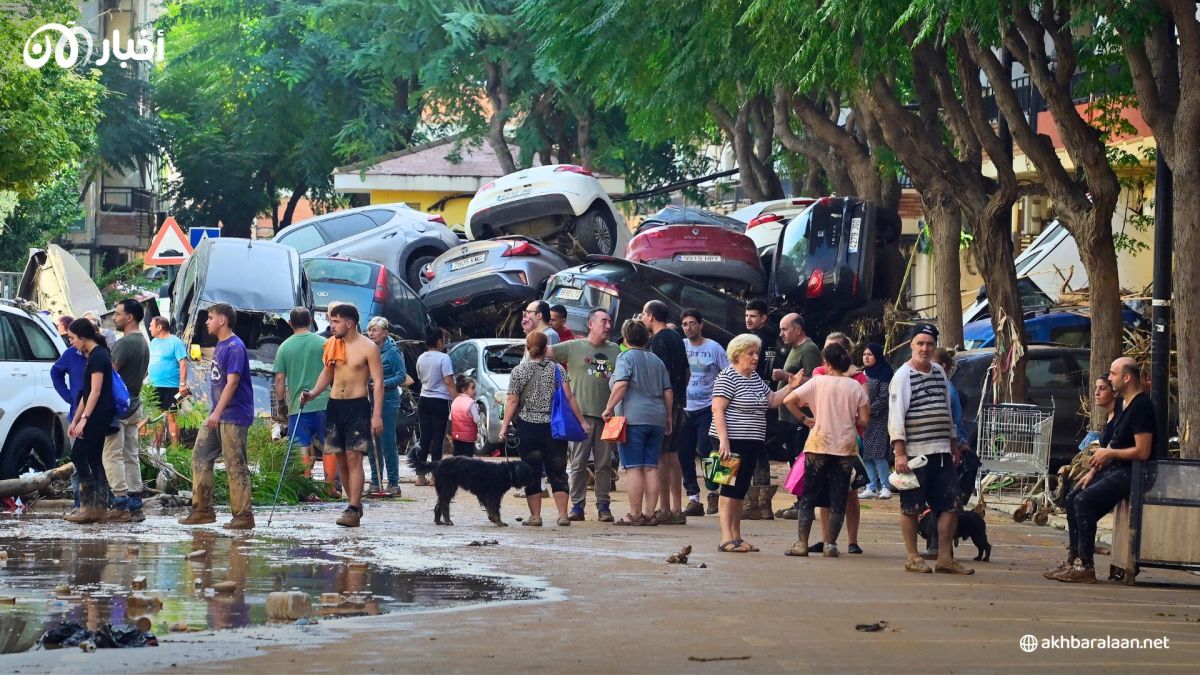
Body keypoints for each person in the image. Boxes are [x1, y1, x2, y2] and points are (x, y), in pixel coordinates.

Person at [1047, 358, 1155, 584]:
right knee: (1073, 497)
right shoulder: (1124, 405)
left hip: (1134, 472)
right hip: (1115, 468)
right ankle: (1074, 560)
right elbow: (1113, 443)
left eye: (1114, 374)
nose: (1110, 377)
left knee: (1084, 501)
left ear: (1127, 378)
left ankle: (1086, 566)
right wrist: (1093, 471)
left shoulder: (1141, 406)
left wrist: (1110, 454)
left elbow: (1143, 451)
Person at [889, 324, 973, 574]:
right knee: (911, 507)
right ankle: (913, 557)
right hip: (915, 454)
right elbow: (896, 417)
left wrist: (953, 444)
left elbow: (947, 411)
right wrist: (900, 453)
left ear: (935, 346)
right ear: (912, 345)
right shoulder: (902, 376)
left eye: (929, 344)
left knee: (951, 505)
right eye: (920, 343)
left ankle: (945, 558)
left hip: (942, 452)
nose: (925, 348)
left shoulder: (939, 372)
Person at [710, 334, 805, 553]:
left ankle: (736, 536)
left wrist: (791, 386)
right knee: (728, 488)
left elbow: (772, 400)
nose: (755, 357)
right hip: (729, 442)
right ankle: (726, 538)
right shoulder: (727, 376)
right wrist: (724, 441)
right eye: (750, 353)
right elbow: (717, 409)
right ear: (737, 354)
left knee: (740, 489)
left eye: (757, 353)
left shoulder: (754, 378)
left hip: (751, 442)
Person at [300, 303, 385, 527]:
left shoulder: (368, 347)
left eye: (336, 321)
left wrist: (377, 415)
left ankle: (353, 508)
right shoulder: (332, 344)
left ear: (349, 323)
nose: (332, 325)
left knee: (354, 456)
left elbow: (378, 383)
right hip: (335, 405)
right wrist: (312, 394)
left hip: (357, 407)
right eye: (331, 321)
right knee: (340, 459)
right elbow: (327, 373)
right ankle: (352, 503)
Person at [782, 342, 870, 557]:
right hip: (845, 448)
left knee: (809, 495)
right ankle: (830, 545)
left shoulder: (817, 382)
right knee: (839, 497)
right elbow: (864, 420)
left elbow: (788, 400)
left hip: (818, 445)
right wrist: (847, 418)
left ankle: (802, 544)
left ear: (827, 363)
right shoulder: (855, 386)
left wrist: (805, 419)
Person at [178, 303, 256, 530]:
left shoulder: (235, 346)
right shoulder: (220, 345)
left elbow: (232, 383)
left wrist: (217, 412)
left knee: (235, 464)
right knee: (200, 456)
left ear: (222, 320)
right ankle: (202, 510)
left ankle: (243, 515)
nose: (207, 322)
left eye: (210, 317)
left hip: (234, 415)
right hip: (218, 413)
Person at [500, 330, 587, 527]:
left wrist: (504, 426)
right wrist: (581, 421)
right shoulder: (557, 369)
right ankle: (563, 515)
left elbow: (512, 400)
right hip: (553, 428)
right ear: (546, 347)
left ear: (527, 348)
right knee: (558, 471)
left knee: (531, 471)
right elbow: (569, 397)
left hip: (527, 428)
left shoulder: (518, 371)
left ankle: (535, 516)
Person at [552, 309, 621, 522]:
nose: (608, 326)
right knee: (578, 463)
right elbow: (542, 351)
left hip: (607, 416)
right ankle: (577, 506)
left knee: (604, 464)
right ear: (590, 324)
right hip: (579, 417)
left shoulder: (615, 349)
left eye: (610, 321)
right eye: (603, 321)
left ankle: (603, 506)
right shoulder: (573, 346)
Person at [603, 320, 673, 526]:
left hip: (633, 419)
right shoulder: (656, 360)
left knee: (633, 467)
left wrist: (609, 407)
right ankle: (650, 513)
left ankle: (635, 514)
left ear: (626, 338)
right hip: (657, 418)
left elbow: (621, 384)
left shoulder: (625, 357)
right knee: (651, 467)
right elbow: (668, 391)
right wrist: (668, 416)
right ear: (646, 338)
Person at [807, 332, 868, 554]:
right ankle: (827, 539)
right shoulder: (819, 372)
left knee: (850, 492)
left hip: (849, 440)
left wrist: (849, 377)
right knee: (824, 492)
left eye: (833, 348)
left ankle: (852, 540)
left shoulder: (859, 377)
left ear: (845, 352)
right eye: (826, 348)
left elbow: (864, 408)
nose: (828, 354)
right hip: (823, 439)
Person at [274, 307, 338, 497]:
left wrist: (281, 404)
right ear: (311, 321)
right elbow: (334, 371)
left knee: (301, 446)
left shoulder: (284, 347)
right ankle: (330, 488)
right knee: (329, 446)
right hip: (325, 403)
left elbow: (279, 380)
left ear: (290, 323)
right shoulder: (324, 343)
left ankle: (306, 486)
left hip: (298, 406)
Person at [62, 318, 119, 525]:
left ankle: (88, 506)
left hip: (98, 414)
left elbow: (95, 391)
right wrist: (75, 419)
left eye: (72, 338)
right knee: (94, 458)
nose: (71, 342)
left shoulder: (98, 356)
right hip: (93, 412)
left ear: (83, 337)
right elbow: (86, 394)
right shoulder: (94, 355)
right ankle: (98, 507)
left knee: (79, 454)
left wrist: (84, 419)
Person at [768, 313, 823, 520]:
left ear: (798, 329)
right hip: (787, 415)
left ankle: (804, 504)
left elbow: (815, 380)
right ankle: (800, 501)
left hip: (800, 417)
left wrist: (785, 376)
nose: (781, 334)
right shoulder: (794, 348)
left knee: (802, 462)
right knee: (794, 461)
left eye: (785, 329)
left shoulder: (809, 349)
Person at [642, 300, 690, 525]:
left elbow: (660, 376)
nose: (643, 318)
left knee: (661, 455)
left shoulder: (658, 341)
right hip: (679, 400)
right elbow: (687, 372)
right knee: (672, 455)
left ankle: (664, 508)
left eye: (644, 314)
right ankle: (677, 508)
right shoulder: (677, 338)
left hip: (664, 404)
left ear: (651, 316)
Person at [103, 298, 150, 522]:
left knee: (112, 455)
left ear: (129, 317)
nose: (114, 317)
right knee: (131, 454)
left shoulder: (124, 343)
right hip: (135, 404)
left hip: (119, 407)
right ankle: (135, 503)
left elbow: (109, 374)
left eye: (118, 313)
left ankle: (120, 502)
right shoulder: (143, 342)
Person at [679, 309, 729, 516]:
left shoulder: (714, 348)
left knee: (709, 450)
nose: (688, 328)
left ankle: (715, 492)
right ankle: (693, 497)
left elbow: (728, 372)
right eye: (685, 324)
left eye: (692, 323)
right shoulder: (681, 346)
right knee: (684, 453)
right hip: (685, 408)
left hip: (709, 407)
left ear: (701, 325)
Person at [366, 316, 411, 493]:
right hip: (369, 399)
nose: (371, 333)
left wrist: (382, 383)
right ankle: (375, 480)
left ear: (384, 333)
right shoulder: (368, 349)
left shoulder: (392, 352)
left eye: (375, 330)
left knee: (387, 441)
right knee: (372, 443)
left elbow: (402, 376)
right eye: (369, 330)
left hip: (388, 400)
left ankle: (393, 482)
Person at [413, 326, 456, 486]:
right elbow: (449, 381)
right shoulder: (444, 358)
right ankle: (435, 476)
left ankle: (420, 476)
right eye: (444, 340)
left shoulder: (421, 358)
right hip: (440, 401)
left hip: (424, 400)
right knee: (438, 438)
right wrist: (457, 400)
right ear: (439, 341)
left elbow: (420, 377)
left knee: (424, 438)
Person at [858, 343, 894, 500]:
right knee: (866, 454)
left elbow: (885, 397)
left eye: (870, 354)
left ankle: (885, 486)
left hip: (879, 419)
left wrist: (868, 410)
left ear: (877, 356)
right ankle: (871, 486)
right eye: (864, 354)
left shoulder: (885, 373)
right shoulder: (862, 373)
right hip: (863, 420)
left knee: (878, 454)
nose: (866, 357)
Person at [147, 316, 189, 447]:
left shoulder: (175, 342)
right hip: (154, 386)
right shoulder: (153, 342)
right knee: (157, 416)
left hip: (171, 387)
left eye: (151, 325)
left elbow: (183, 364)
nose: (149, 328)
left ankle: (175, 448)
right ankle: (157, 447)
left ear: (159, 327)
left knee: (172, 416)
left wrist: (182, 384)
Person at [450, 375, 482, 458]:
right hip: (468, 438)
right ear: (464, 389)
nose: (475, 390)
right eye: (472, 388)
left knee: (456, 458)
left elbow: (450, 417)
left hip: (456, 436)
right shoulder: (471, 403)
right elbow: (476, 419)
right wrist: (479, 414)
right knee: (467, 459)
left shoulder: (455, 401)